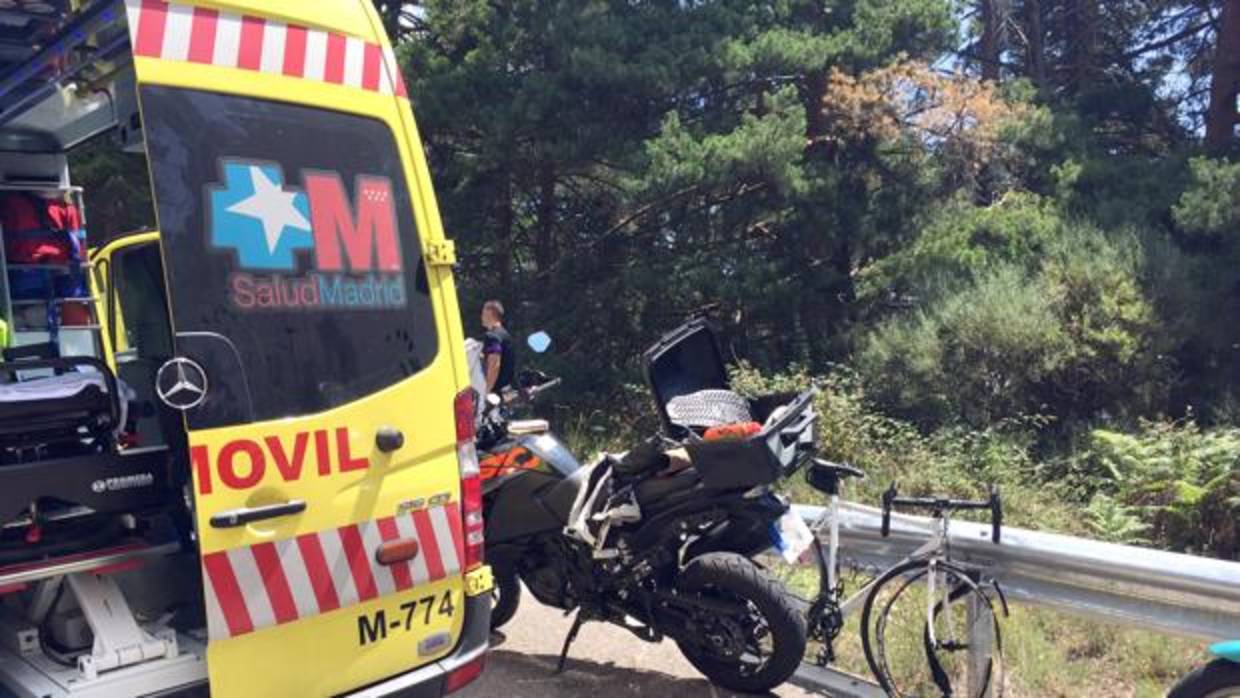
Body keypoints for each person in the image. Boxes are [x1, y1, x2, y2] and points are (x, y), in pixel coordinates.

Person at [480, 300, 515, 393]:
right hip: (507, 390)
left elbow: (494, 364)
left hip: (495, 393)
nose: (481, 317)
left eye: (483, 313)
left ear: (490, 314)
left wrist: (486, 389)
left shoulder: (492, 336)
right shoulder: (505, 334)